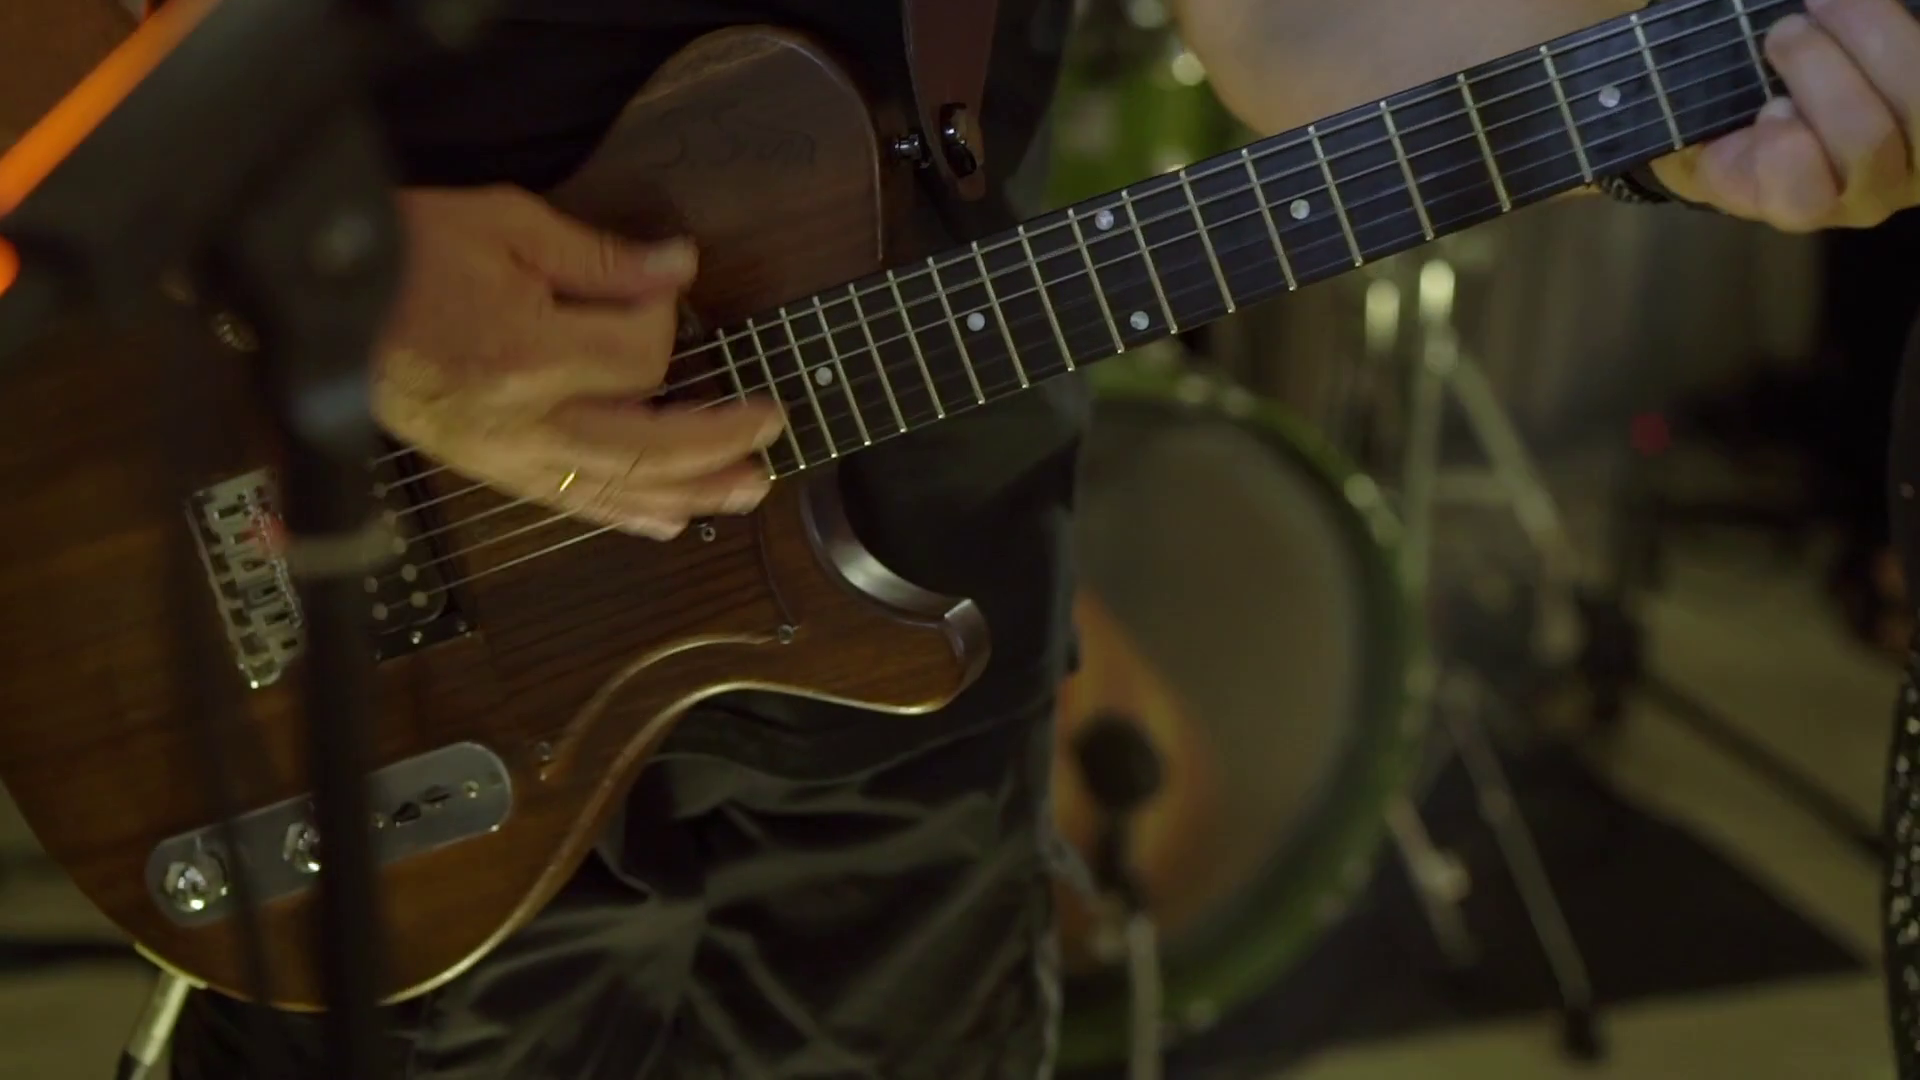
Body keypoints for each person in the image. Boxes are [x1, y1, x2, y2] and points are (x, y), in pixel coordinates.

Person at [145, 0, 1920, 1077]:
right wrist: (332, 268)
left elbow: (1286, 23)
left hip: (920, 609)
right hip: (354, 549)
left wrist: (1678, 94)